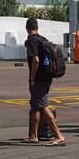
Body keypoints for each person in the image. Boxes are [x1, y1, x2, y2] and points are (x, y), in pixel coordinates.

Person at [25, 17, 65, 145]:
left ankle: (58, 135)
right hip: (47, 77)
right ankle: (33, 136)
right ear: (37, 27)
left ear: (27, 28)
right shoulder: (43, 39)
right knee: (35, 106)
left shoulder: (31, 40)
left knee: (43, 107)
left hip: (39, 79)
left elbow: (35, 60)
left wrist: (31, 78)